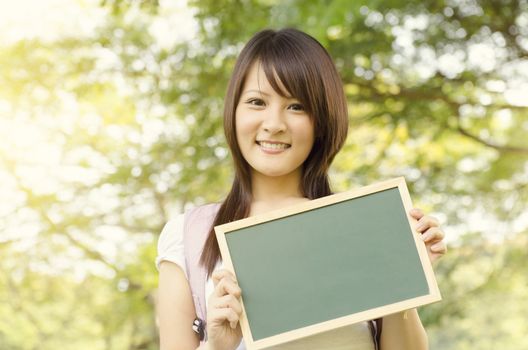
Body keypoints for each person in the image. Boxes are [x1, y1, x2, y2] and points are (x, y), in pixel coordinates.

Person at [156, 28, 447, 350]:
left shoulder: (361, 228)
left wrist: (406, 275)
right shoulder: (189, 236)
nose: (274, 123)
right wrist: (218, 345)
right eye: (256, 102)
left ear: (322, 119)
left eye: (296, 106)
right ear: (233, 111)